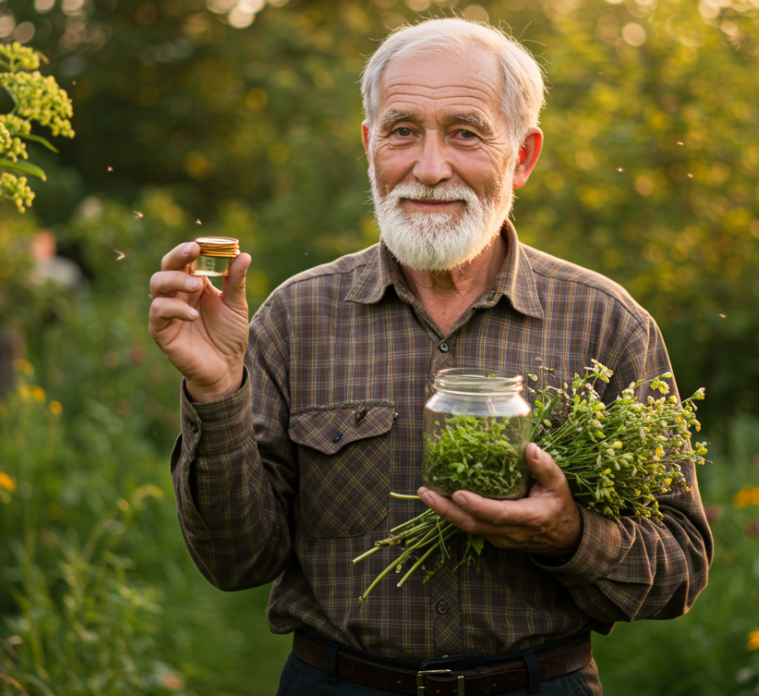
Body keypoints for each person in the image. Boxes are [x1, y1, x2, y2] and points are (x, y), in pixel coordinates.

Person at [147, 18, 712, 696]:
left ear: (523, 157)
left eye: (466, 133)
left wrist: (569, 534)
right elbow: (234, 561)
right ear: (370, 146)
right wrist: (216, 392)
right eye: (403, 130)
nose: (430, 167)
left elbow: (680, 569)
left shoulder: (606, 322)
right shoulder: (296, 317)